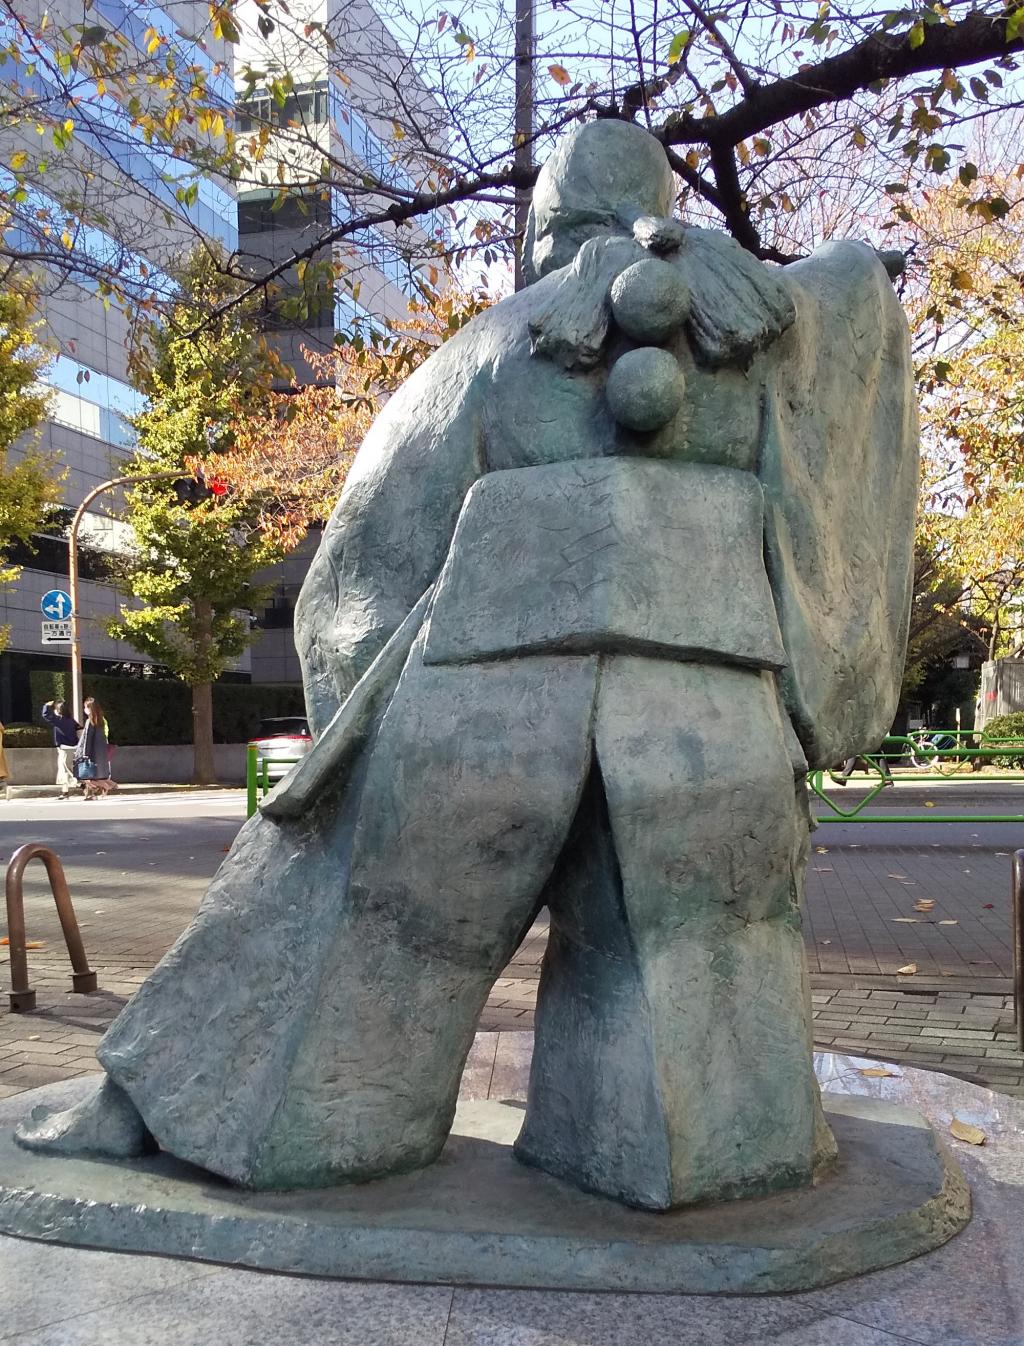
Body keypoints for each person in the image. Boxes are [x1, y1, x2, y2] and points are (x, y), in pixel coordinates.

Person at [16, 121, 918, 1211]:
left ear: (541, 232)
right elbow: (827, 495)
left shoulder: (491, 348)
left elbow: (358, 569)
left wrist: (346, 726)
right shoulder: (761, 342)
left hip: (482, 705)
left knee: (373, 925)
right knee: (702, 948)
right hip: (707, 713)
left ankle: (238, 1118)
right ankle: (712, 1157)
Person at [75, 698, 117, 799]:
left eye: (85, 707)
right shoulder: (101, 721)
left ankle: (107, 786)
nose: (84, 709)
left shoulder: (90, 721)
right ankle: (94, 793)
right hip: (101, 754)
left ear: (90, 708)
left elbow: (87, 739)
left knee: (86, 777)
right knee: (95, 776)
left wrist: (84, 754)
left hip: (91, 754)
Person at [41, 700, 81, 799]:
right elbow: (80, 729)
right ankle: (65, 792)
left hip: (64, 748)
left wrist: (46, 705)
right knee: (65, 770)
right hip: (73, 747)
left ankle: (81, 785)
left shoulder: (58, 720)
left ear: (58, 711)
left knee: (66, 769)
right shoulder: (71, 721)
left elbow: (45, 715)